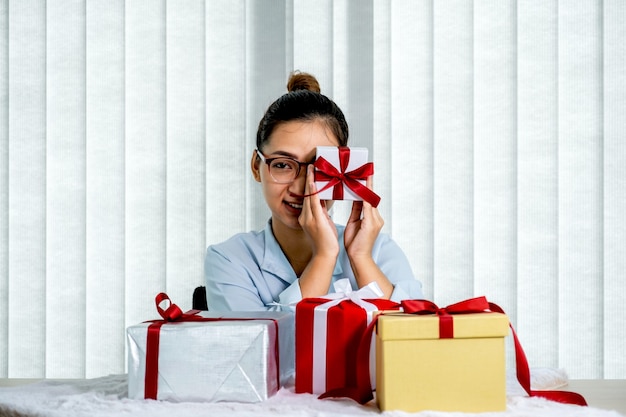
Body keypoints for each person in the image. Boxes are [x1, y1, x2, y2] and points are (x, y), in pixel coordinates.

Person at [205, 71, 422, 311]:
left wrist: (361, 259)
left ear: (345, 168)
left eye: (320, 168)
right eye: (283, 165)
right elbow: (254, 345)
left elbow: (414, 340)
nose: (301, 188)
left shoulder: (379, 250)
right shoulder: (229, 259)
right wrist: (324, 257)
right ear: (257, 167)